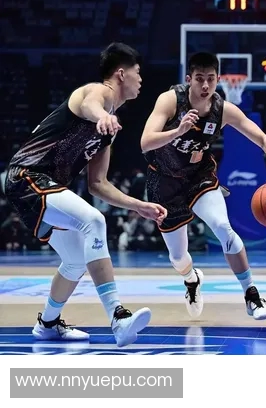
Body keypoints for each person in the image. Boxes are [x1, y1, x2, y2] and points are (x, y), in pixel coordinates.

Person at [4, 42, 167, 347]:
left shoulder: (109, 128)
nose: (141, 79)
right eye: (137, 72)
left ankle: (47, 324)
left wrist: (138, 205)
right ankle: (118, 317)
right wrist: (101, 116)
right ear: (121, 74)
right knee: (94, 220)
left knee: (76, 260)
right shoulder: (96, 93)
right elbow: (91, 104)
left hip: (45, 188)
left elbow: (98, 184)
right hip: (27, 176)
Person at [140, 52, 266, 320]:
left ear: (218, 79)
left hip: (199, 176)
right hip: (164, 180)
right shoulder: (170, 100)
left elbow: (261, 138)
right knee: (178, 257)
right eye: (199, 79)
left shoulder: (223, 110)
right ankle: (191, 278)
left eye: (210, 79)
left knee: (222, 226)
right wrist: (177, 131)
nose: (205, 85)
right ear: (189, 79)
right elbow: (146, 142)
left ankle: (252, 295)